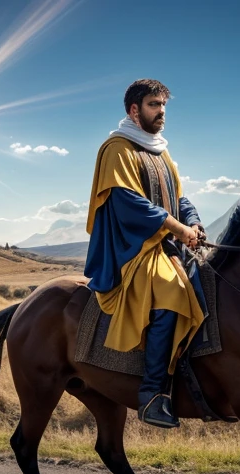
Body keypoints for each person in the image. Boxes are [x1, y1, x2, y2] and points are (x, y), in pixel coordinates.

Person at [84, 79, 207, 428]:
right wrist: (179, 230)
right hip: (134, 250)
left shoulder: (161, 152)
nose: (162, 112)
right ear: (134, 110)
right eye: (154, 105)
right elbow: (128, 203)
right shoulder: (117, 148)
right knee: (172, 292)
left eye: (164, 106)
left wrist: (194, 223)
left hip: (166, 243)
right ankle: (153, 394)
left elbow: (179, 198)